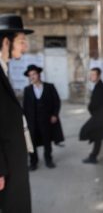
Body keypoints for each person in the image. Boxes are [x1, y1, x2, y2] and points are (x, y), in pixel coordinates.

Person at [0, 14, 33, 212]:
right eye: (21, 41)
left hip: (13, 161)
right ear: (6, 42)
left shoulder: (4, 69)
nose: (25, 47)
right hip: (6, 167)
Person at [23, 64, 64, 170]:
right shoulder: (27, 90)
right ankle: (33, 162)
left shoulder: (49, 87)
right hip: (32, 121)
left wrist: (55, 114)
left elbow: (56, 101)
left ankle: (48, 159)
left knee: (47, 141)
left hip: (46, 120)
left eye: (34, 74)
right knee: (32, 141)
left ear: (39, 75)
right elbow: (25, 107)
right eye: (30, 75)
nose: (32, 77)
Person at [79, 67, 103, 164]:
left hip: (100, 117)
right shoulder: (98, 86)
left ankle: (93, 156)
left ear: (99, 76)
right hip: (98, 116)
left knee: (86, 131)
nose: (91, 77)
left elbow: (95, 104)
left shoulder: (101, 87)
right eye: (90, 74)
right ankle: (93, 157)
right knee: (97, 137)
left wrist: (91, 109)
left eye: (93, 75)